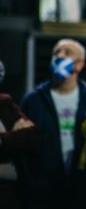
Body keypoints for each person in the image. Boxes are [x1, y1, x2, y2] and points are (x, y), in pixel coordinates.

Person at [20, 39, 86, 208]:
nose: (59, 56)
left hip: (82, 191)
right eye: (56, 52)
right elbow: (21, 146)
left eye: (67, 52)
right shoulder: (33, 100)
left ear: (79, 64)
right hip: (42, 192)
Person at [0, 60, 38, 209]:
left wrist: (2, 140)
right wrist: (13, 135)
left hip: (8, 196)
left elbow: (32, 136)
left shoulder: (4, 103)